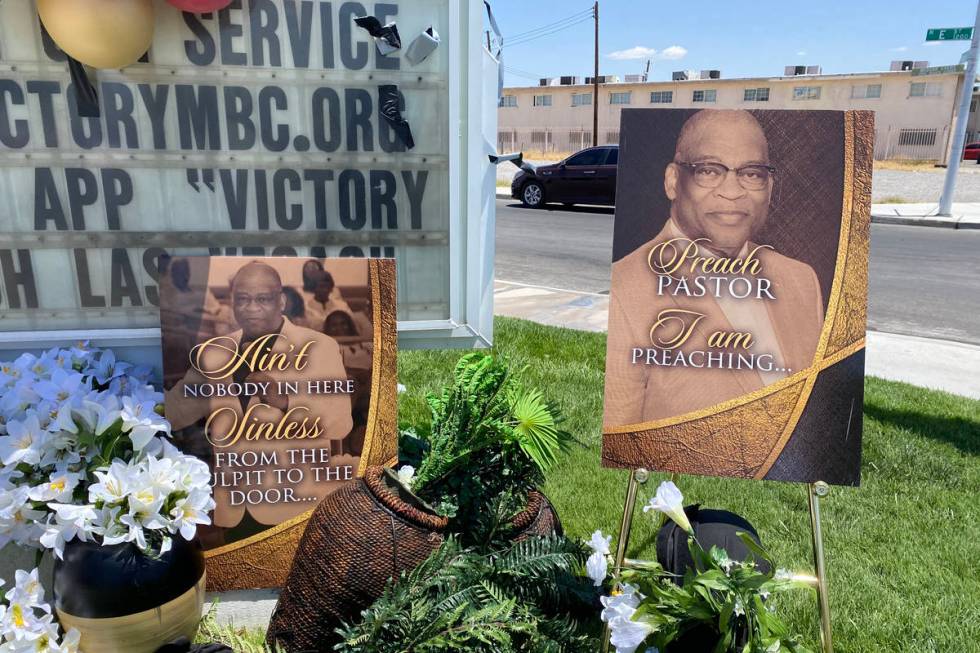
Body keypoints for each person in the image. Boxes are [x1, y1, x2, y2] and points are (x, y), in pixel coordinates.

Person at [604, 109, 825, 427]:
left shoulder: (802, 281)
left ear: (770, 187)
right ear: (672, 181)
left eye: (751, 173)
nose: (732, 191)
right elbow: (620, 438)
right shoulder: (624, 289)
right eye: (709, 171)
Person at [165, 262, 354, 528]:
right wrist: (129, 414)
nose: (251, 308)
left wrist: (287, 401)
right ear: (231, 302)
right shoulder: (215, 352)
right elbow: (176, 408)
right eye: (242, 299)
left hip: (295, 508)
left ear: (282, 301)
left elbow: (341, 422)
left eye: (262, 299)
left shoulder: (320, 347)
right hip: (233, 511)